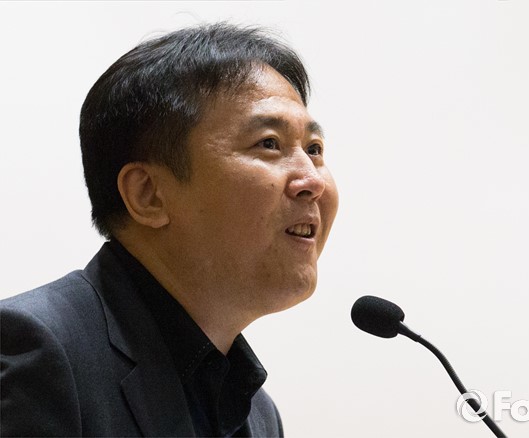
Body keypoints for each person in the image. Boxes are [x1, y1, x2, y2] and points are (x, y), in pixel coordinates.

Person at [0, 22, 338, 437]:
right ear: (148, 195)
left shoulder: (258, 415)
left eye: (314, 149)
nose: (312, 180)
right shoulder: (36, 350)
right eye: (269, 143)